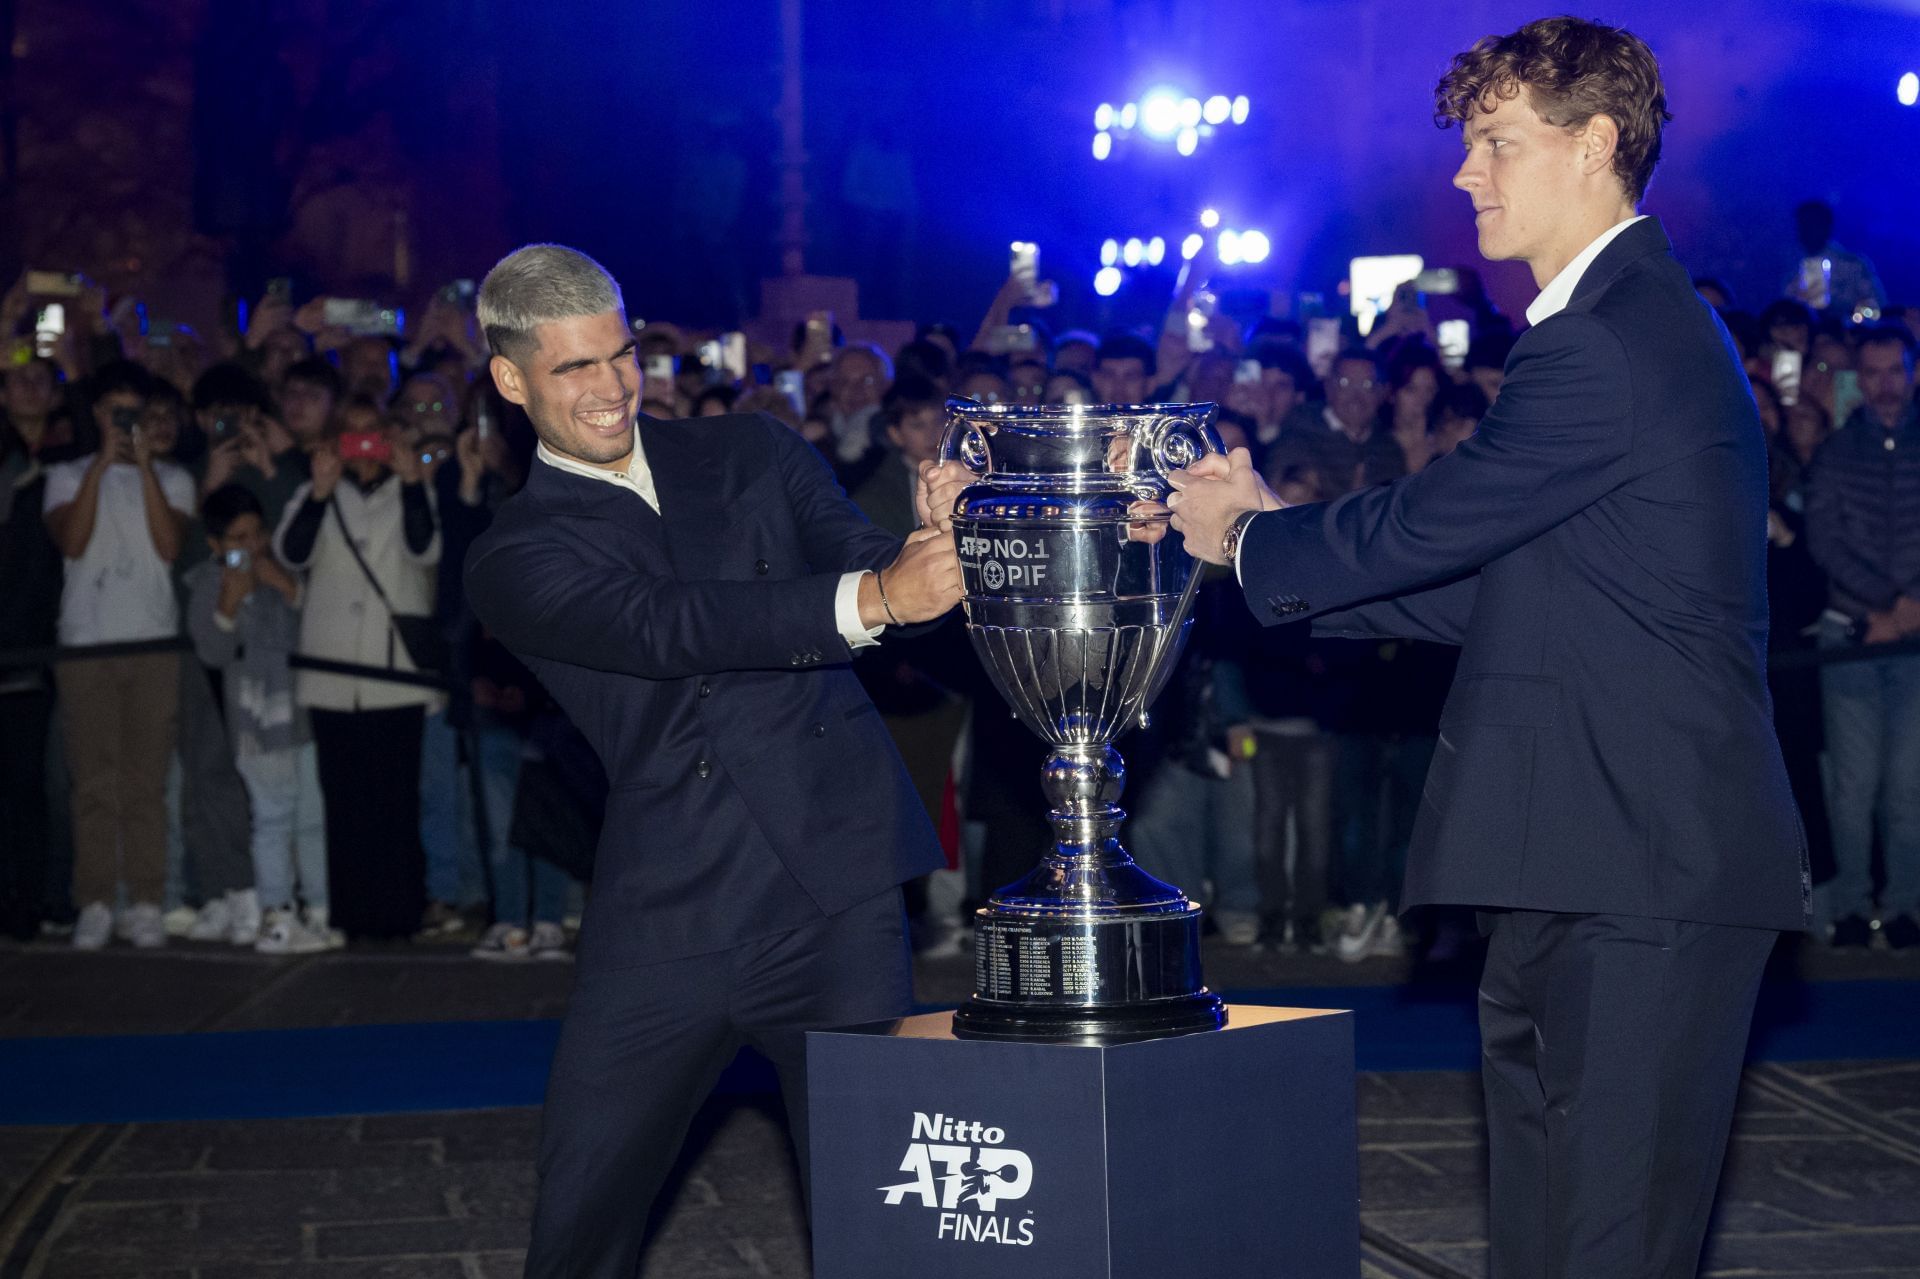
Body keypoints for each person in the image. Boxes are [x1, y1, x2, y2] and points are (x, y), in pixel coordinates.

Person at [1152, 18, 1806, 1276]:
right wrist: (1265, 540)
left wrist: (1254, 541)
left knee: (1601, 1249)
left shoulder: (1608, 336)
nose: (1466, 173)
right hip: (1590, 861)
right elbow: (1499, 590)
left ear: (1596, 145)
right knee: (1551, 1246)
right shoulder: (1623, 322)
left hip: (1640, 872)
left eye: (1497, 141)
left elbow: (1434, 520)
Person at [461, 244, 960, 1276]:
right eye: (574, 367)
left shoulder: (751, 449)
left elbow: (862, 558)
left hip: (836, 884)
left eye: (621, 355)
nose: (612, 387)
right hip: (675, 902)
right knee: (584, 1204)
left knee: (882, 1203)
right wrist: (875, 599)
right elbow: (669, 625)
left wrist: (939, 543)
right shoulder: (513, 554)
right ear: (510, 379)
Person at [273, 396, 442, 941]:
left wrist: (411, 480)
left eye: (373, 432)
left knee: (395, 799)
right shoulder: (316, 491)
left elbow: (426, 548)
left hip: (395, 674)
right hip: (333, 671)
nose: (364, 444)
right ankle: (352, 914)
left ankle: (400, 913)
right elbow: (291, 553)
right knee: (344, 800)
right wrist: (320, 491)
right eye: (352, 432)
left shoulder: (410, 488)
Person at [42, 362, 197, 950]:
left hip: (153, 642)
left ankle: (148, 900)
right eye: (115, 412)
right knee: (93, 782)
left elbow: (169, 545)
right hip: (86, 643)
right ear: (97, 415)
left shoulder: (175, 477)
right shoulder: (66, 474)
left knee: (145, 781)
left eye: (133, 412)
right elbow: (72, 541)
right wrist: (102, 464)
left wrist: (144, 464)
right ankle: (97, 900)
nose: (125, 422)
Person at [1803, 324, 1920, 949]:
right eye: (1872, 373)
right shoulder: (1837, 451)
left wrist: (1909, 609)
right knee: (1852, 787)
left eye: (1893, 371)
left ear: (1913, 372)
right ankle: (1851, 905)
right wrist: (1887, 606)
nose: (1884, 385)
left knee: (1908, 788)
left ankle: (1903, 907)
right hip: (1852, 632)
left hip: (1912, 637)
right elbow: (1825, 540)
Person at [186, 485, 335, 954]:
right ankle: (276, 916)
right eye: (238, 538)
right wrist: (229, 604)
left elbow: (316, 630)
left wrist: (286, 586)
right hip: (255, 722)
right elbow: (212, 651)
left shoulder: (283, 568)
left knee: (311, 817)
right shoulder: (208, 581)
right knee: (272, 819)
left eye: (257, 534)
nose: (251, 546)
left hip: (302, 712)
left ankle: (320, 911)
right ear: (215, 544)